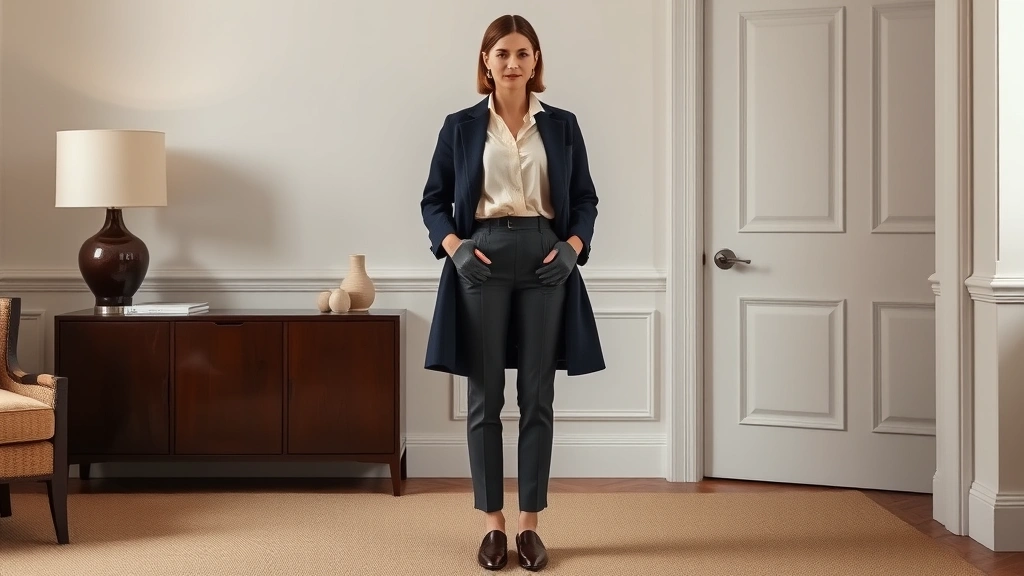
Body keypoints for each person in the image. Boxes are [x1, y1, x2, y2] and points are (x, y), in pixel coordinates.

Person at [419, 13, 606, 572]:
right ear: (486, 60)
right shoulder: (459, 126)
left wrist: (573, 247)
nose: (512, 63)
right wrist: (455, 248)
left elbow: (585, 198)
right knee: (485, 397)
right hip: (481, 258)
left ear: (535, 61)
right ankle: (492, 525)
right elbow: (433, 200)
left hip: (548, 258)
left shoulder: (562, 125)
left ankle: (529, 526)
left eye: (523, 53)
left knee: (538, 396)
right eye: (502, 53)